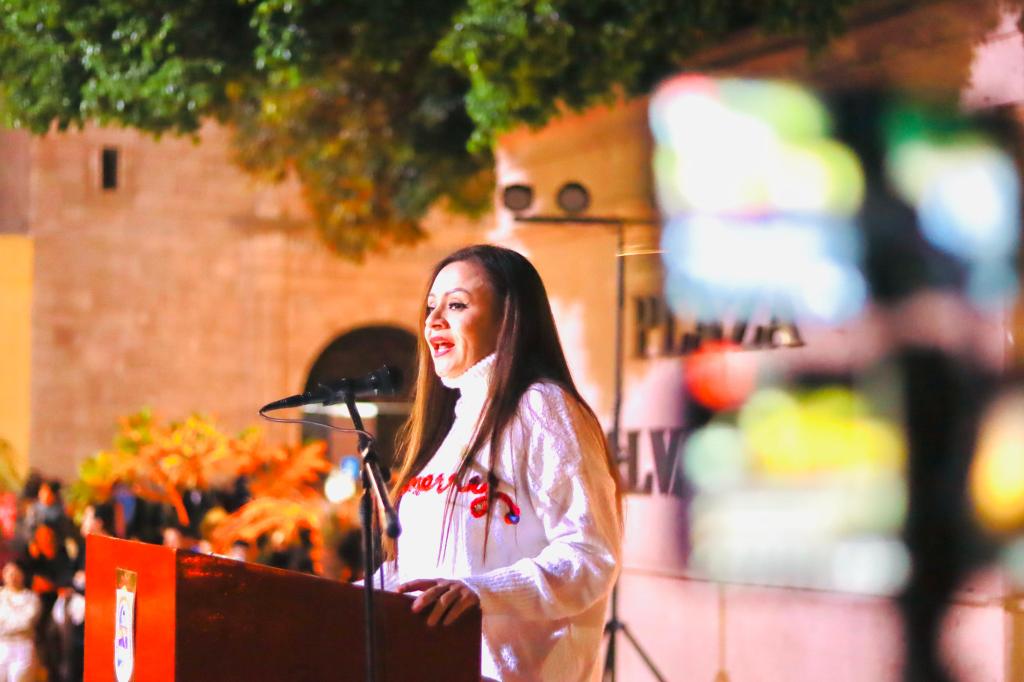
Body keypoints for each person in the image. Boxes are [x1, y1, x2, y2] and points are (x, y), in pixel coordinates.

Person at [376, 244, 623, 681]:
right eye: (431, 307)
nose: (433, 320)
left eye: (456, 305)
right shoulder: (451, 429)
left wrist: (483, 593)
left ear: (508, 318)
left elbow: (590, 555)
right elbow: (418, 575)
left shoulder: (542, 408)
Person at [0, 560, 41, 682]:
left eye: (15, 573)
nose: (12, 577)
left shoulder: (32, 598)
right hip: (2, 645)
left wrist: (4, 623)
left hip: (23, 646)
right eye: (9, 573)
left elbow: (26, 623)